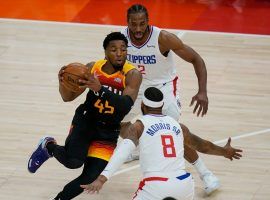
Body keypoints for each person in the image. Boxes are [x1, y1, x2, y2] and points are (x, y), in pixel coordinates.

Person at [27, 32, 142, 199]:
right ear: (105, 52)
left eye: (123, 49)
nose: (119, 53)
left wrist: (100, 89)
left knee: (89, 178)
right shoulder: (92, 69)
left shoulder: (132, 74)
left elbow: (125, 106)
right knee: (73, 162)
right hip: (86, 121)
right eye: (114, 49)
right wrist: (63, 82)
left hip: (109, 131)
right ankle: (48, 146)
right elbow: (67, 97)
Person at [119, 4, 219, 195]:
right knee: (118, 123)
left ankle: (206, 174)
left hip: (163, 88)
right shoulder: (120, 39)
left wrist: (202, 92)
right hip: (135, 86)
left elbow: (196, 59)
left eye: (142, 23)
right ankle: (138, 148)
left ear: (148, 22)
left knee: (175, 135)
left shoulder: (163, 38)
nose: (138, 29)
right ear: (127, 23)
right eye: (134, 24)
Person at [81, 87, 243, 199]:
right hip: (185, 186)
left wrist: (101, 179)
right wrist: (224, 151)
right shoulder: (179, 127)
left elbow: (122, 153)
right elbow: (204, 146)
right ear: (163, 106)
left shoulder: (138, 126)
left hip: (156, 186)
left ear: (143, 105)